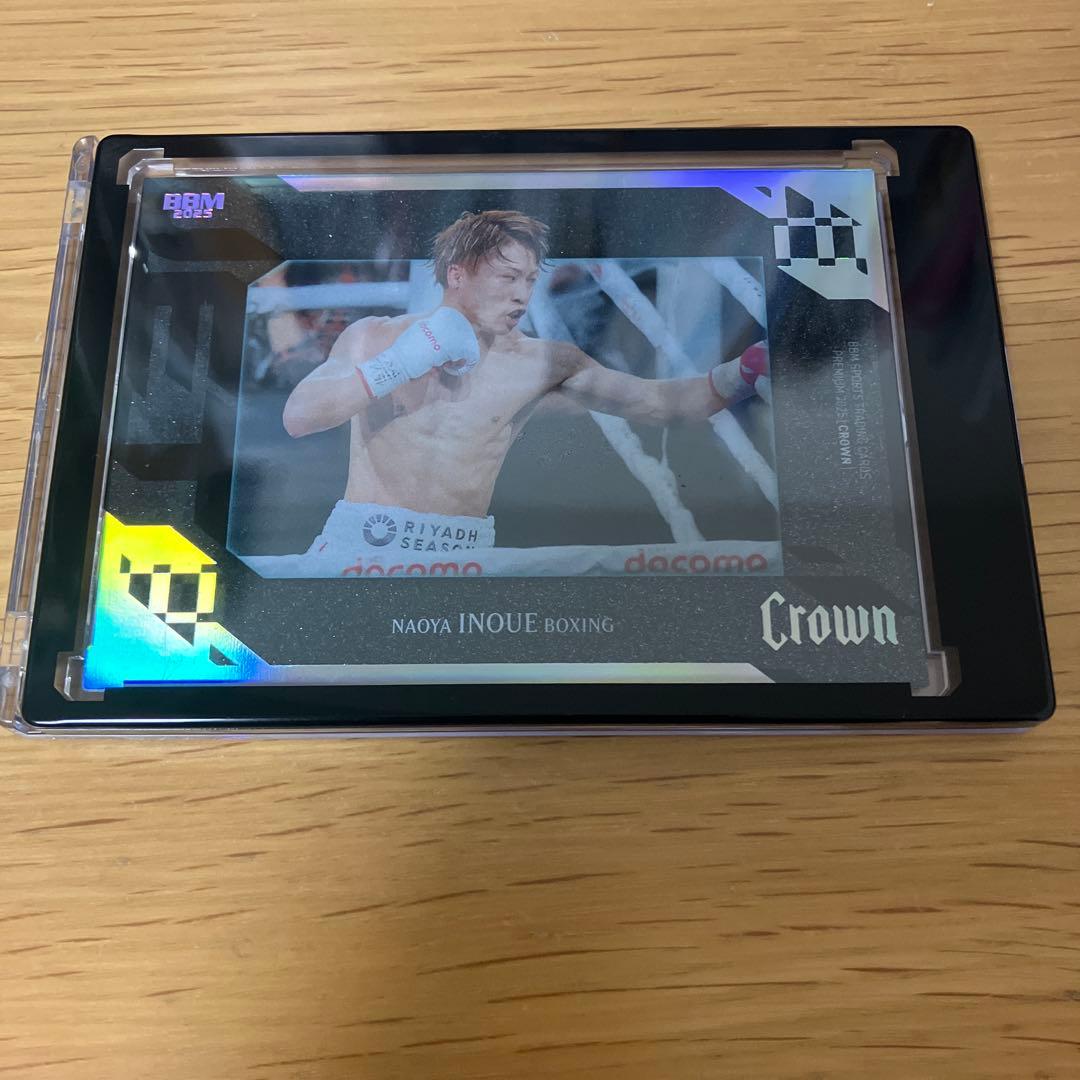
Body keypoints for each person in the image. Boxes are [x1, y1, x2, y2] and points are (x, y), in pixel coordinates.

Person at [280, 210, 768, 565]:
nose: (521, 295)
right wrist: (400, 363)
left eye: (530, 280)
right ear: (457, 275)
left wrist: (741, 372)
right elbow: (299, 418)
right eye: (508, 277)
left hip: (460, 558)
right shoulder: (374, 337)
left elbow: (658, 403)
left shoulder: (543, 362)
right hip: (361, 544)